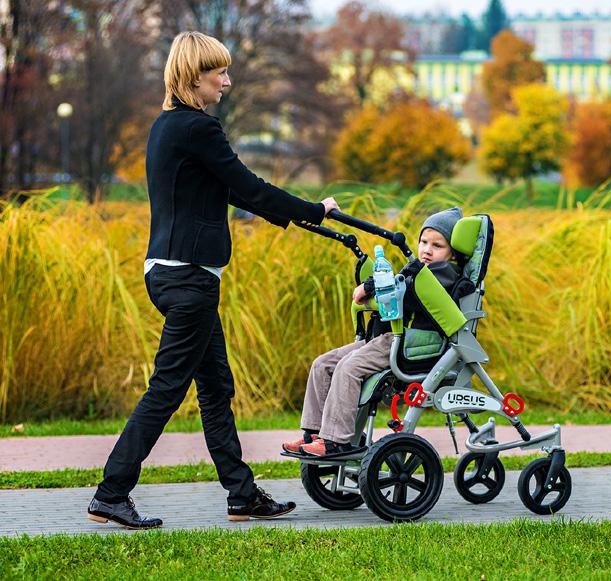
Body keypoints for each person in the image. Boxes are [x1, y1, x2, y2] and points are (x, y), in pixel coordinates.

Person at [86, 31, 340, 530]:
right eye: (218, 73)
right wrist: (314, 210)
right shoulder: (199, 128)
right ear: (191, 78)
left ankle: (242, 495)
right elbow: (247, 183)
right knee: (167, 389)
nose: (226, 81)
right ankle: (110, 493)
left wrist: (300, 218)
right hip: (188, 281)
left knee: (214, 386)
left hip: (172, 273)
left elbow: (230, 192)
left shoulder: (168, 127)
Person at [283, 207, 468, 457]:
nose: (427, 249)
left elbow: (405, 290)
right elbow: (401, 281)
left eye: (437, 245)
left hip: (410, 343)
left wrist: (369, 286)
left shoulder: (443, 274)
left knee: (348, 368)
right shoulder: (419, 271)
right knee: (322, 364)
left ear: (452, 253)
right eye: (424, 241)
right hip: (388, 338)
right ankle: (314, 434)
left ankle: (336, 441)